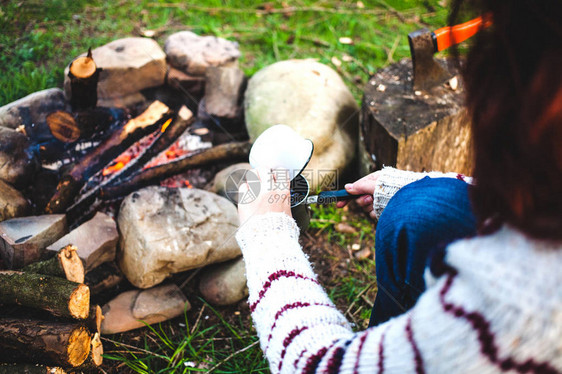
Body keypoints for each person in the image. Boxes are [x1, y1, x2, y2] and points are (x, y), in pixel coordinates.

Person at [234, 0, 562, 372]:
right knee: (421, 208)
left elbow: (321, 366)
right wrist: (412, 185)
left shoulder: (527, 309)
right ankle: (398, 347)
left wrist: (266, 233)